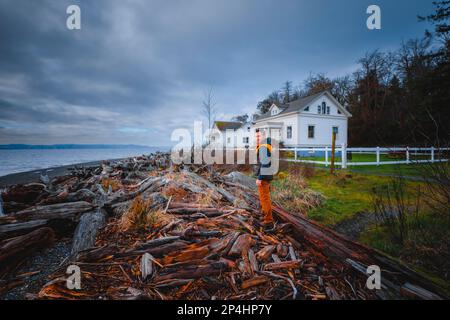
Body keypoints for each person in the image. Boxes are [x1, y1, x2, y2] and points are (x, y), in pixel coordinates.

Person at [255, 129, 275, 231]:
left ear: (263, 136)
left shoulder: (263, 147)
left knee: (265, 199)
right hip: (266, 176)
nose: (257, 138)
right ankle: (267, 219)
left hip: (264, 177)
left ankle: (268, 223)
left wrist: (259, 178)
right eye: (256, 137)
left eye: (259, 136)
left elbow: (265, 163)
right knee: (265, 198)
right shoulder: (264, 146)